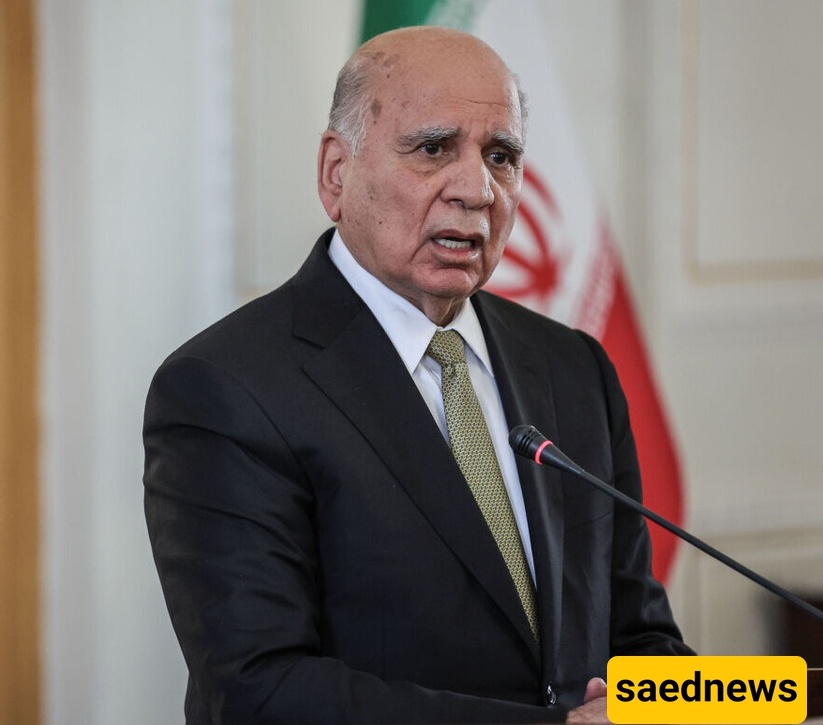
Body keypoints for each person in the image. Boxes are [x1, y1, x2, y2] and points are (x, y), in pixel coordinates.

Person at [144, 26, 692, 725]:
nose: (477, 189)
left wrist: (740, 699)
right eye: (433, 149)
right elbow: (260, 692)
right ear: (336, 173)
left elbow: (638, 637)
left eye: (501, 156)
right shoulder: (226, 388)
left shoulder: (573, 367)